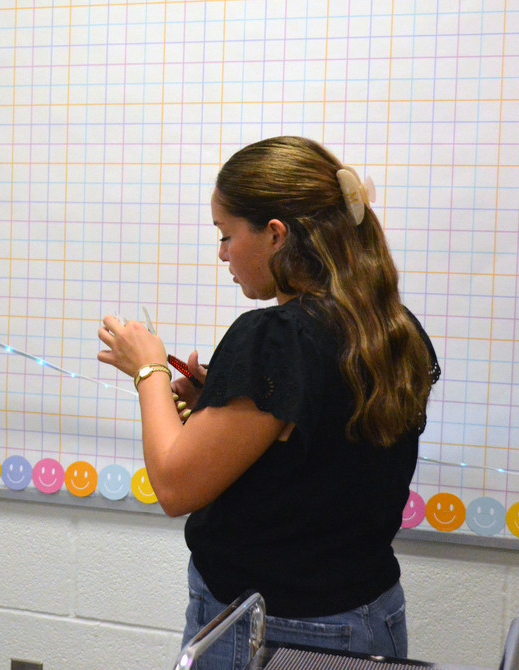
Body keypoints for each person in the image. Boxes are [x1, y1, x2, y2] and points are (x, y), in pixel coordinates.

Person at [97, 136, 440, 668]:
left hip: (273, 631)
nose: (222, 253)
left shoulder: (276, 339)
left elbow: (173, 485)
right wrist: (218, 402)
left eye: (227, 235)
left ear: (275, 235)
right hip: (369, 620)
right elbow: (314, 452)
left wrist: (149, 368)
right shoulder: (391, 328)